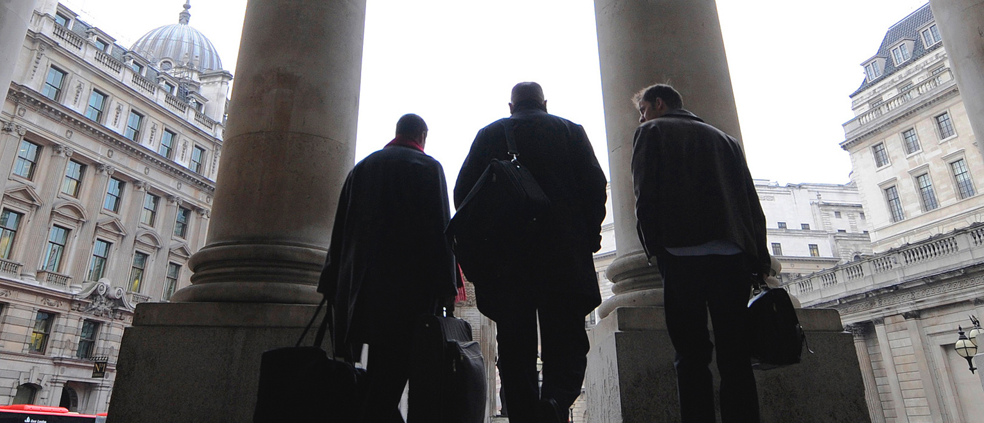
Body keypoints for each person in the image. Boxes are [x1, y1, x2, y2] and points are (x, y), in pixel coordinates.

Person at [455, 82, 607, 423]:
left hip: (509, 264)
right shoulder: (571, 132)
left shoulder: (489, 135)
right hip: (563, 259)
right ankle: (555, 403)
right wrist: (588, 238)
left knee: (514, 351)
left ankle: (523, 415)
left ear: (511, 107)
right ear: (545, 103)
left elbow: (463, 197)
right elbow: (596, 187)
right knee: (566, 343)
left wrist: (484, 250)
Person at [631, 83, 772, 423]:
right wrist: (759, 258)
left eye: (643, 110)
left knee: (690, 354)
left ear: (659, 104)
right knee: (735, 355)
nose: (641, 118)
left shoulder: (652, 131)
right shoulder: (725, 139)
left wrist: (654, 247)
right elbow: (749, 202)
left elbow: (644, 192)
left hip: (681, 256)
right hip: (731, 256)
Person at [319, 114, 458, 423]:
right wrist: (447, 290)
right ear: (422, 136)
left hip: (360, 294)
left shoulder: (362, 168)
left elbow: (339, 231)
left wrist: (330, 283)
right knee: (392, 376)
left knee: (376, 374)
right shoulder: (428, 168)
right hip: (408, 297)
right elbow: (441, 231)